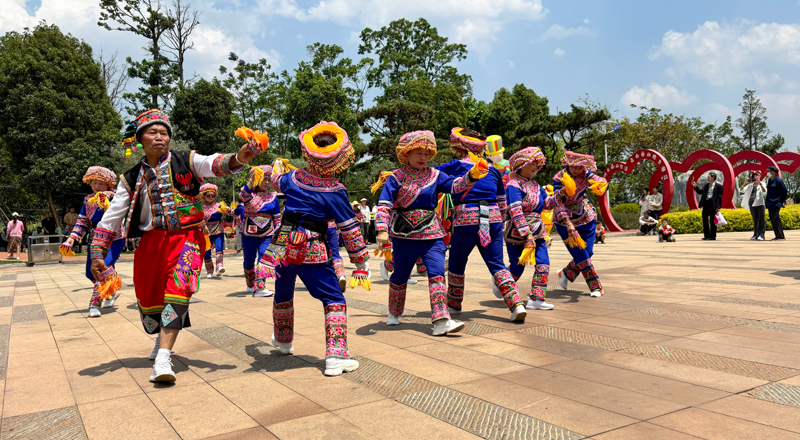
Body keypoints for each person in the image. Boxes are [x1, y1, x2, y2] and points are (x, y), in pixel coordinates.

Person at [90, 109, 262, 383]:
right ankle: (160, 339)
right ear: (139, 140)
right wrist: (97, 252)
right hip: (151, 243)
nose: (160, 137)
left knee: (179, 290)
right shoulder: (130, 177)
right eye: (152, 132)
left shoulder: (187, 160)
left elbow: (214, 163)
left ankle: (163, 358)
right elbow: (112, 216)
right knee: (150, 298)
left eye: (164, 132)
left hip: (188, 240)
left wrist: (239, 158)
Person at [258, 120, 369, 376]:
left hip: (281, 244)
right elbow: (349, 227)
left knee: (283, 292)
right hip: (311, 245)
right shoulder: (335, 189)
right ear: (339, 156)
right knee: (334, 299)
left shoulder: (293, 178)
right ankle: (336, 356)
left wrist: (272, 166)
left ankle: (283, 340)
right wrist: (360, 260)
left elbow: (273, 180)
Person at [374, 129, 488, 334]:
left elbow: (455, 186)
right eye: (419, 152)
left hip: (432, 233)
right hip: (404, 235)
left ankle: (441, 320)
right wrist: (382, 230)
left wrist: (472, 175)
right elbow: (384, 205)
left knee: (436, 274)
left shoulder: (435, 175)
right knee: (400, 275)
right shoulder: (396, 177)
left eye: (427, 153)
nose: (423, 157)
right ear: (405, 153)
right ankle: (394, 312)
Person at [437, 127, 527, 322]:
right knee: (496, 263)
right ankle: (516, 304)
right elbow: (502, 201)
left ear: (460, 148)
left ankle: (454, 303)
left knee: (457, 260)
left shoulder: (456, 166)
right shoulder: (493, 170)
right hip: (492, 216)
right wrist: (499, 223)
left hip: (466, 217)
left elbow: (428, 175)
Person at [61, 167, 126, 317]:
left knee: (101, 269)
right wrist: (72, 237)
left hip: (114, 238)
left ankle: (94, 304)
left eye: (100, 183)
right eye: (93, 183)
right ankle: (111, 292)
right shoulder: (88, 200)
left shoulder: (116, 196)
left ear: (108, 183)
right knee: (90, 274)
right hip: (95, 239)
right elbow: (83, 221)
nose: (96, 186)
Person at [502, 147, 558, 311]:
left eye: (537, 164)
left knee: (543, 263)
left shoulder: (535, 185)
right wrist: (527, 235)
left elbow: (547, 204)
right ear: (520, 164)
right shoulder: (513, 185)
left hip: (538, 231)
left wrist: (561, 196)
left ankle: (536, 299)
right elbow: (515, 210)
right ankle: (501, 282)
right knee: (517, 267)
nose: (535, 167)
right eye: (532, 163)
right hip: (517, 233)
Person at [553, 151, 608, 297]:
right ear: (567, 164)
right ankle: (595, 287)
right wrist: (568, 223)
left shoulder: (585, 173)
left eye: (580, 167)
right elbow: (557, 203)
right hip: (565, 222)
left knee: (588, 252)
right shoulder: (559, 178)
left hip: (585, 217)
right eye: (574, 167)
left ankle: (566, 273)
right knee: (583, 256)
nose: (578, 170)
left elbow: (597, 178)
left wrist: (602, 183)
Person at [238, 165, 281, 297]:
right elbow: (242, 195)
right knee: (249, 261)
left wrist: (278, 232)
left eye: (269, 179)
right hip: (248, 233)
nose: (267, 183)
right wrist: (252, 179)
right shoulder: (248, 194)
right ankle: (250, 284)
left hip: (267, 233)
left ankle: (260, 287)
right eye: (264, 179)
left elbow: (277, 217)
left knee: (264, 257)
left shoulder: (273, 197)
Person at [200, 183, 228, 278]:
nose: (211, 197)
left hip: (218, 230)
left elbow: (229, 213)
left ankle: (219, 267)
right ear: (204, 196)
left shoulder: (219, 205)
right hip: (206, 232)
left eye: (213, 195)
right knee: (207, 252)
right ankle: (209, 270)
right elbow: (199, 218)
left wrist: (228, 210)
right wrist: (203, 225)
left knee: (219, 249)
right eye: (208, 195)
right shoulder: (201, 207)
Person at [692, 172, 723, 241]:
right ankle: (706, 235)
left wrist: (718, 207)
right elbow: (700, 192)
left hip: (713, 205)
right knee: (705, 220)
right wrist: (695, 186)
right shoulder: (706, 185)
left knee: (712, 221)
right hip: (706, 204)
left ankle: (712, 236)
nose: (707, 178)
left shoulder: (719, 186)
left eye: (709, 177)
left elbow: (719, 197)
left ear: (713, 178)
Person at [740, 170, 766, 241]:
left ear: (760, 176)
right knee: (755, 220)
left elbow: (764, 190)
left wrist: (760, 184)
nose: (756, 177)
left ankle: (761, 235)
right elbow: (741, 190)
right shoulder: (750, 185)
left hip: (760, 203)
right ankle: (755, 235)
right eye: (755, 175)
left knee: (761, 220)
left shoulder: (762, 183)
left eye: (758, 175)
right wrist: (744, 183)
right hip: (752, 203)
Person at [765, 165, 788, 241]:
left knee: (776, 219)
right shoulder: (770, 180)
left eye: (769, 171)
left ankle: (780, 236)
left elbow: (784, 191)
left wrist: (782, 201)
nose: (768, 172)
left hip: (776, 203)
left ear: (773, 172)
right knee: (773, 219)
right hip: (770, 203)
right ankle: (778, 235)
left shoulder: (778, 180)